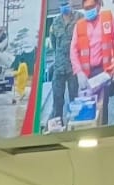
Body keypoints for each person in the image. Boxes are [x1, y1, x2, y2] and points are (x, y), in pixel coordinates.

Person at [70, 0, 114, 126]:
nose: (88, 10)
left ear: (98, 5)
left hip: (104, 71)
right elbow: (73, 51)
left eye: (91, 7)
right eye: (86, 8)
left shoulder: (107, 19)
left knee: (103, 105)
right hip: (86, 74)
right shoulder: (79, 26)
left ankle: (104, 130)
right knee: (87, 107)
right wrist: (78, 72)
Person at [45, 2, 80, 131]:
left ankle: (75, 126)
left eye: (67, 3)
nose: (65, 6)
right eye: (62, 4)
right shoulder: (55, 22)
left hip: (73, 66)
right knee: (57, 100)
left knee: (75, 99)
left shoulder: (79, 18)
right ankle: (58, 129)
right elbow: (53, 42)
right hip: (59, 67)